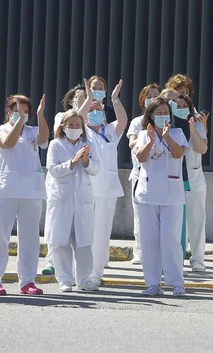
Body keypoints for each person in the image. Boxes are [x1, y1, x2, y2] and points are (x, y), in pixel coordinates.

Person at [0, 94, 49, 296]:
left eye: (24, 110)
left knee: (29, 238)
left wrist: (40, 115)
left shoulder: (32, 131)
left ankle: (27, 281)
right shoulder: (0, 130)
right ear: (8, 111)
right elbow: (8, 143)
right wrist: (19, 121)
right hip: (5, 190)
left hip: (31, 191)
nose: (20, 112)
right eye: (15, 109)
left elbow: (44, 140)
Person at [135, 97, 189, 296]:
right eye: (158, 112)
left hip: (172, 194)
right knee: (149, 239)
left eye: (166, 112)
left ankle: (177, 282)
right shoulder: (143, 134)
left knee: (170, 238)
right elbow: (141, 157)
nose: (163, 116)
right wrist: (151, 140)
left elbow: (178, 154)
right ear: (150, 115)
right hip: (148, 194)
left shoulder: (177, 133)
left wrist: (166, 138)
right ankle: (152, 283)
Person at [45, 110, 100, 292]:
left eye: (78, 125)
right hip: (61, 198)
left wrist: (85, 161)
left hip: (82, 199)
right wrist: (72, 162)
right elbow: (53, 170)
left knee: (83, 242)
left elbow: (96, 168)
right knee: (61, 241)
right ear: (63, 127)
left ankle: (84, 280)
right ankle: (64, 279)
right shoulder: (55, 145)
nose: (74, 128)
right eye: (70, 125)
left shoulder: (89, 144)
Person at [80, 79, 128, 286]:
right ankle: (81, 273)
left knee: (101, 235)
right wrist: (89, 99)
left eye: (98, 108)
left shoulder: (110, 132)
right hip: (87, 189)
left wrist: (115, 99)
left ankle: (95, 274)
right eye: (91, 109)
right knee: (84, 233)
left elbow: (123, 121)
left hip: (107, 190)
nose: (94, 112)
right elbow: (78, 117)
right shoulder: (81, 132)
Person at [160, 88, 209, 269]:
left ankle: (198, 260)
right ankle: (175, 260)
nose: (180, 108)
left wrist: (195, 129)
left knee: (196, 220)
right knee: (175, 224)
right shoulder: (166, 127)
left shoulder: (196, 125)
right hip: (173, 179)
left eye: (184, 106)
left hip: (194, 179)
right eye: (177, 105)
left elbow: (202, 149)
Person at [127, 83, 162, 265]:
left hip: (161, 175)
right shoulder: (137, 122)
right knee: (140, 216)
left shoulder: (164, 121)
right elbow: (132, 143)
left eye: (156, 95)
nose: (152, 98)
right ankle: (140, 251)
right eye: (149, 95)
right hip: (140, 174)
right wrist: (143, 141)